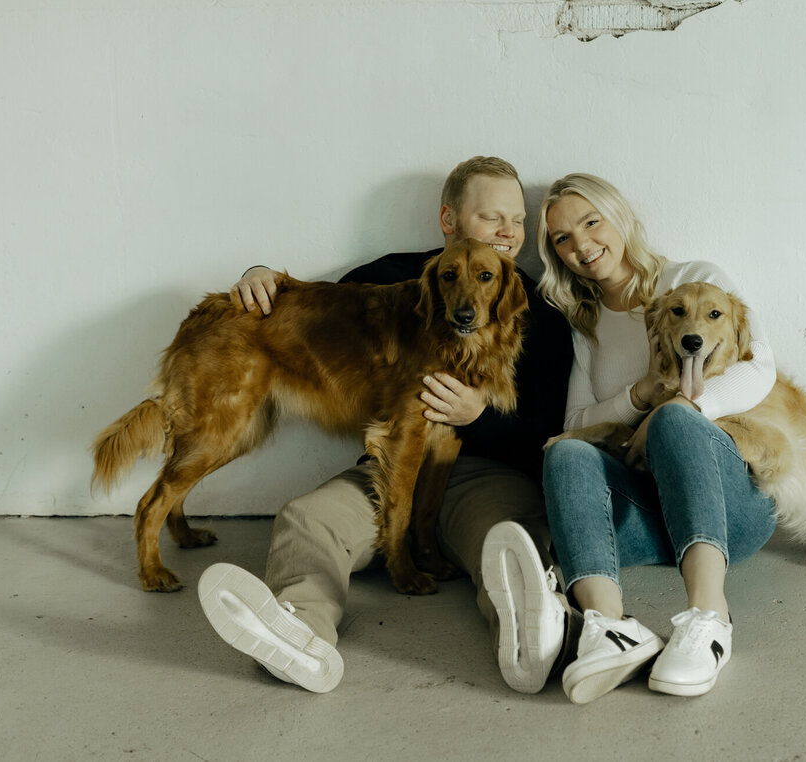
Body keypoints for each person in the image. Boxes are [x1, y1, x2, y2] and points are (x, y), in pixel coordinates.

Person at [195, 157, 576, 694]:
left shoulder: (539, 309)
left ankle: (535, 639)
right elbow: (313, 313)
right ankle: (300, 633)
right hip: (388, 468)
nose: (508, 232)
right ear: (449, 220)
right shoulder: (393, 277)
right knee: (306, 520)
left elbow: (549, 428)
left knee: (510, 541)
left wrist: (478, 416)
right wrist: (259, 278)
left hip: (484, 477)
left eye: (517, 219)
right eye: (492, 218)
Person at [536, 172, 779, 702]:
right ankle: (609, 626)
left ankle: (710, 618)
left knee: (675, 418)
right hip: (653, 524)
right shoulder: (584, 322)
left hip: (730, 507)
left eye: (591, 222)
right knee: (567, 453)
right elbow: (576, 422)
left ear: (619, 218)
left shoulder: (694, 280)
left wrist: (674, 410)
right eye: (562, 238)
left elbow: (761, 369)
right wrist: (642, 394)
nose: (581, 244)